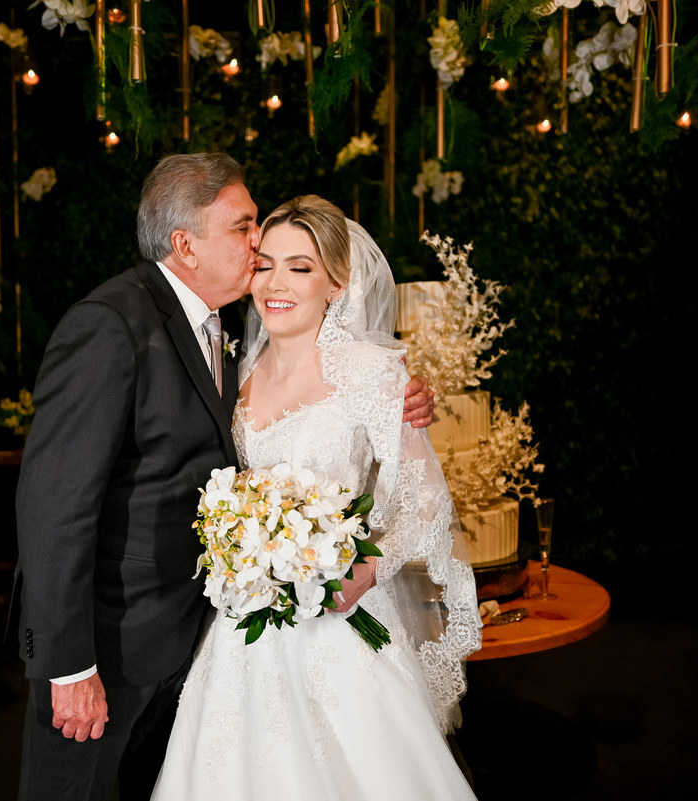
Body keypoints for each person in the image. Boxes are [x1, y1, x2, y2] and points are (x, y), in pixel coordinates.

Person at [13, 155, 435, 801]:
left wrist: (402, 405)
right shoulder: (111, 324)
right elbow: (54, 506)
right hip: (110, 644)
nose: (258, 246)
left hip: (207, 639)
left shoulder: (232, 338)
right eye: (244, 229)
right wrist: (68, 664)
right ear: (185, 244)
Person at [150, 195, 482, 800]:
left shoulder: (373, 373)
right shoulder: (232, 371)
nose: (276, 284)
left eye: (300, 268)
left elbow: (427, 501)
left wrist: (367, 570)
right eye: (265, 265)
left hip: (340, 620)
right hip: (244, 627)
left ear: (336, 284)